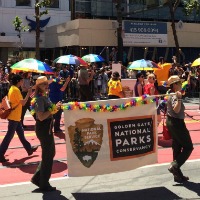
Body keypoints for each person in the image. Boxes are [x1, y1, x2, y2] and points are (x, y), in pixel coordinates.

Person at [30, 76, 61, 191]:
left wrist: (55, 107)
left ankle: (38, 178)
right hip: (43, 128)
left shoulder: (44, 96)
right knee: (48, 155)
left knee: (50, 153)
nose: (46, 86)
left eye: (47, 84)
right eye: (43, 84)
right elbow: (41, 117)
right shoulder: (39, 99)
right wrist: (53, 110)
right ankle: (44, 183)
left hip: (47, 128)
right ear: (38, 86)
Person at [0, 74, 38, 163]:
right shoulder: (16, 90)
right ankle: (1, 153)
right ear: (18, 81)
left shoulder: (12, 88)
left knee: (21, 134)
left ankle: (29, 149)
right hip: (14, 117)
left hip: (15, 116)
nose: (22, 82)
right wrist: (29, 93)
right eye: (21, 81)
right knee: (9, 136)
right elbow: (23, 103)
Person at [165, 75, 194, 183]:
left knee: (177, 147)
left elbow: (185, 86)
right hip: (176, 123)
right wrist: (179, 99)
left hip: (172, 122)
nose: (181, 84)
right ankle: (175, 165)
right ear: (175, 85)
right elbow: (176, 110)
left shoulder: (172, 93)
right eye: (179, 83)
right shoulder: (174, 95)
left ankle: (177, 175)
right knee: (188, 147)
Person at [49, 67, 70, 134]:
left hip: (52, 98)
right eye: (57, 71)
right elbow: (62, 89)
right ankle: (56, 128)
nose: (58, 73)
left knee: (52, 115)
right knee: (58, 115)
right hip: (57, 98)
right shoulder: (57, 80)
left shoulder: (50, 79)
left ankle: (51, 128)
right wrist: (67, 82)